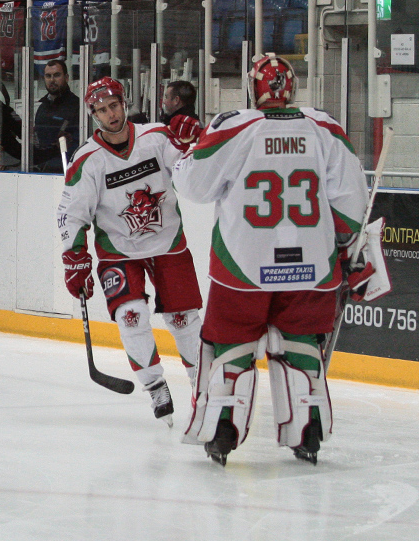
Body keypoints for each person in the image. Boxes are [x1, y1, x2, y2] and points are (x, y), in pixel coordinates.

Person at [173, 55, 370, 466]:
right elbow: (351, 203)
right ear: (292, 88)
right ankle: (307, 431)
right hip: (313, 267)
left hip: (242, 264)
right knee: (301, 346)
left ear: (253, 90)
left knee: (230, 347)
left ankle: (222, 431)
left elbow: (193, 185)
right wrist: (348, 245)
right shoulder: (324, 127)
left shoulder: (234, 126)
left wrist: (186, 151)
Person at [57, 77, 203, 423]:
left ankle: (204, 385)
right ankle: (155, 386)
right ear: (94, 115)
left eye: (114, 106)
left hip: (168, 243)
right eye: (102, 110)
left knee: (184, 320)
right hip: (118, 250)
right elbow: (71, 212)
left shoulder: (157, 137)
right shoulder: (87, 160)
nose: (111, 115)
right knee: (131, 314)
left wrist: (196, 146)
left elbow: (189, 177)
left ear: (124, 104)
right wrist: (74, 256)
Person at [32, 59, 83, 172]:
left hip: (65, 171)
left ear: (66, 78)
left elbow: (78, 145)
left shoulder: (77, 106)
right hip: (41, 171)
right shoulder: (42, 107)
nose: (52, 80)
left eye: (57, 75)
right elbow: (37, 141)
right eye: (48, 76)